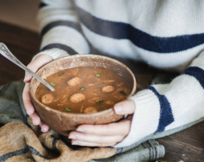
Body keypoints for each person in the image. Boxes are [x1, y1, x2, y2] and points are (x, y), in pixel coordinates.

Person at [23, 0, 204, 147]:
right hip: (92, 63)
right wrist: (59, 55)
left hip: (191, 82)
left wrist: (165, 107)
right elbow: (60, 6)